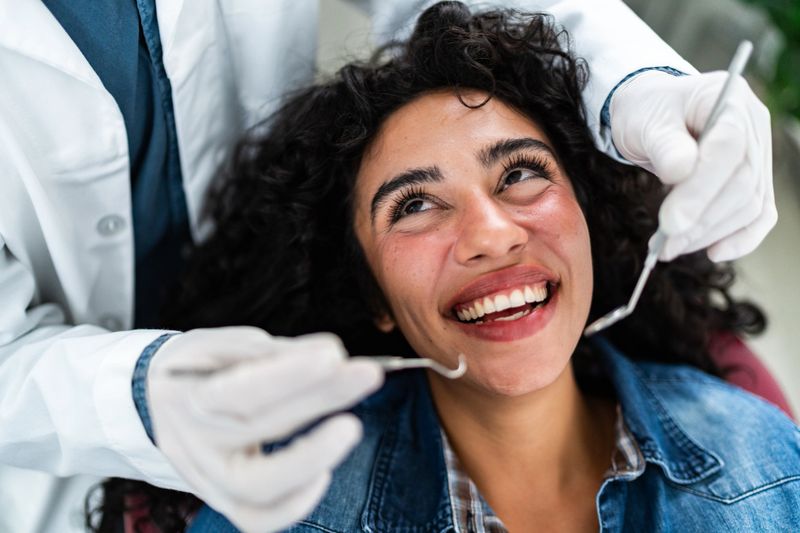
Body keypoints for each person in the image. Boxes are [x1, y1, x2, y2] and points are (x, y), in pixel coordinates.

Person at [0, 1, 776, 532]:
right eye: (413, 205)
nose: (490, 232)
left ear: (590, 218)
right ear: (369, 290)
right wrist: (138, 398)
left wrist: (638, 84)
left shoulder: (762, 457)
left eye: (518, 173)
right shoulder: (288, 509)